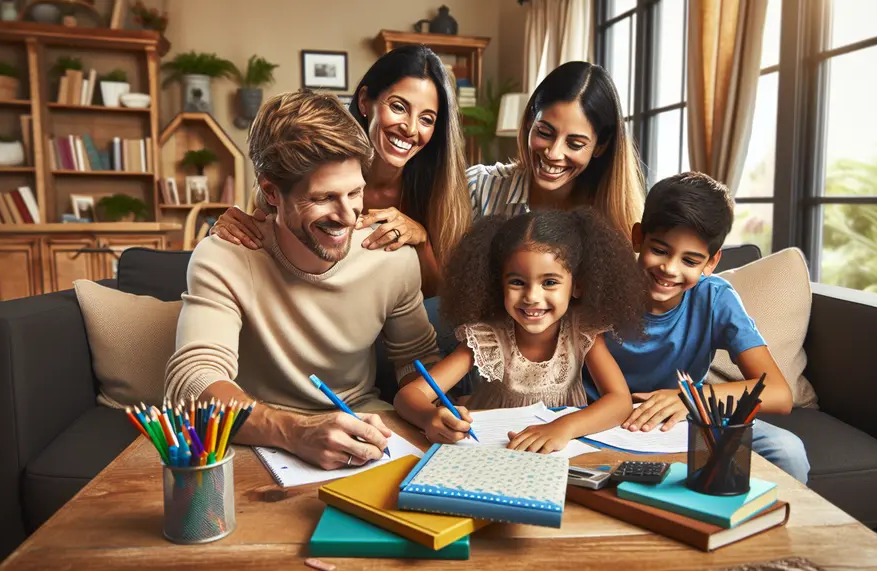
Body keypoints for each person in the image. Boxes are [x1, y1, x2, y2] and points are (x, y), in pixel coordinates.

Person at [164, 90, 441, 471]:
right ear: (271, 192)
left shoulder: (391, 257)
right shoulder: (224, 257)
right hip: (255, 437)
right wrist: (296, 431)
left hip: (366, 433)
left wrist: (432, 408)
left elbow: (416, 362)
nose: (347, 216)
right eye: (324, 197)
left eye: (355, 192)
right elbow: (194, 385)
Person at [582, 172, 811, 483]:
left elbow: (778, 394)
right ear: (638, 237)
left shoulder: (716, 298)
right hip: (602, 416)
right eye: (660, 250)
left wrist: (689, 399)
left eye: (690, 261)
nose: (669, 269)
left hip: (689, 416)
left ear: (711, 262)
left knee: (787, 450)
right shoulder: (602, 288)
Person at [209, 44, 471, 296]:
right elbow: (267, 256)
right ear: (365, 101)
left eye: (427, 119)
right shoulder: (310, 171)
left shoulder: (438, 190)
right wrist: (230, 232)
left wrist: (421, 241)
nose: (411, 129)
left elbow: (441, 298)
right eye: (399, 107)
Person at [394, 207, 647, 454]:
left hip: (560, 456)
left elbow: (620, 401)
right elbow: (408, 396)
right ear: (498, 284)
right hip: (492, 452)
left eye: (549, 282)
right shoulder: (487, 337)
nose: (532, 297)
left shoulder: (582, 332)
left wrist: (562, 428)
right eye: (517, 282)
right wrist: (430, 418)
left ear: (577, 286)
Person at [465, 61, 645, 240]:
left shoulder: (613, 222)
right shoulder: (477, 188)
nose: (553, 153)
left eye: (575, 144)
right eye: (544, 132)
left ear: (600, 146)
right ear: (530, 120)